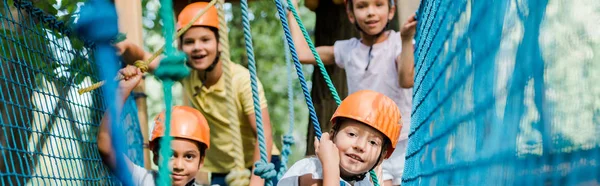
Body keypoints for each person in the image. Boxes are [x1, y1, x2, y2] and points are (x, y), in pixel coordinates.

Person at [115, 2, 280, 185]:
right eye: (189, 42)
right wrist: (127, 48)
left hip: (260, 162)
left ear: (220, 43)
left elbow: (263, 133)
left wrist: (255, 183)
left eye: (205, 40)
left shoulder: (242, 81)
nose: (197, 47)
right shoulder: (188, 74)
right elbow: (146, 60)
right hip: (223, 169)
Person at [287, 0, 417, 184]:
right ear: (351, 14)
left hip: (403, 142)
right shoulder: (348, 49)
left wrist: (405, 40)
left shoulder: (398, 41)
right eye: (362, 6)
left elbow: (406, 79)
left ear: (391, 11)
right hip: (369, 144)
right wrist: (292, 10)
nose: (370, 12)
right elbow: (303, 54)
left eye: (378, 5)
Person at [97, 65, 211, 186]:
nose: (179, 166)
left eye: (189, 156)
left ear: (201, 160)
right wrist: (122, 92)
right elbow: (106, 147)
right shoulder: (144, 180)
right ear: (155, 156)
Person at [278, 90, 403, 186]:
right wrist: (330, 164)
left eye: (372, 142)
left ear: (381, 157)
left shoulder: (363, 183)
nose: (359, 146)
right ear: (332, 136)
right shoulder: (311, 171)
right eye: (352, 134)